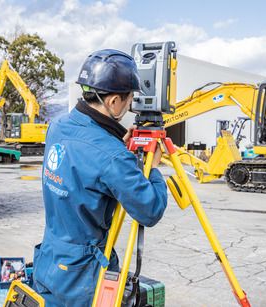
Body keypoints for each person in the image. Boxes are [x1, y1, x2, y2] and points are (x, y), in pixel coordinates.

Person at [33, 49, 168, 306]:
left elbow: (85, 159)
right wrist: (152, 168)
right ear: (114, 101)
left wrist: (117, 145)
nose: (130, 106)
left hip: (51, 258)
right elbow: (150, 210)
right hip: (82, 275)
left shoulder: (58, 126)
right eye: (129, 100)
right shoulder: (112, 156)